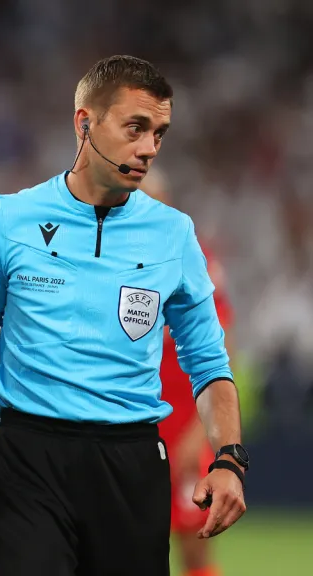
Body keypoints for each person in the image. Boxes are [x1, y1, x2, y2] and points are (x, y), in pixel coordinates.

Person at [0, 55, 248, 576]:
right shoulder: (8, 222)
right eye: (136, 127)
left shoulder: (174, 233)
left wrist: (228, 459)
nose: (150, 147)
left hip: (130, 462)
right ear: (84, 123)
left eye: (159, 132)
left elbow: (209, 362)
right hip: (27, 460)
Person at [143, 168, 233, 576]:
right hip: (131, 418)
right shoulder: (104, 257)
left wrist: (198, 434)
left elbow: (218, 351)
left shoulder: (194, 259)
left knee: (193, 540)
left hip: (182, 422)